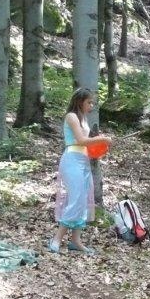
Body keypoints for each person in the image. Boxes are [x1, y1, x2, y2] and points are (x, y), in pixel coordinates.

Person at [48, 88, 111, 255]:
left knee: (83, 200)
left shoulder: (83, 118)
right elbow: (82, 140)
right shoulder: (71, 116)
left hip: (83, 161)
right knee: (76, 199)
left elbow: (86, 145)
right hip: (71, 160)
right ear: (80, 101)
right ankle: (56, 239)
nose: (91, 106)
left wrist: (100, 147)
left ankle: (76, 241)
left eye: (92, 103)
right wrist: (102, 139)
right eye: (89, 102)